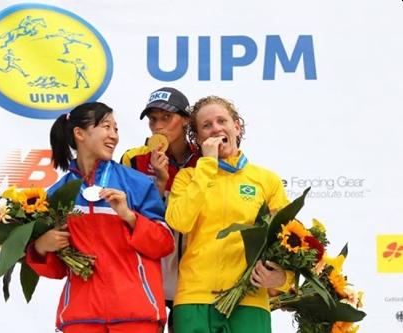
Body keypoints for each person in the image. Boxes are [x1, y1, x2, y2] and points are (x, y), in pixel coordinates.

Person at [26, 102, 175, 333]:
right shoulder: (57, 194)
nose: (114, 135)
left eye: (116, 129)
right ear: (79, 133)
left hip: (135, 314)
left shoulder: (137, 183)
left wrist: (128, 216)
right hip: (80, 317)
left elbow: (164, 243)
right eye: (106, 126)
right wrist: (41, 247)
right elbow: (57, 270)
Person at [165, 96, 294, 333]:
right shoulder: (188, 178)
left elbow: (290, 242)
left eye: (221, 120)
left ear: (237, 126)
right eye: (206, 125)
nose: (215, 128)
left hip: (250, 301)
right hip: (194, 299)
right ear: (198, 138)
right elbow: (179, 222)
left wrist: (283, 279)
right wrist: (207, 166)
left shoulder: (267, 181)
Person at [120, 87, 199, 333]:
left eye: (167, 118)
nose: (158, 126)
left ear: (186, 120)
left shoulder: (205, 160)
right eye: (153, 119)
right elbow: (131, 215)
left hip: (191, 271)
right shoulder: (134, 159)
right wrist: (158, 183)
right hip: (149, 266)